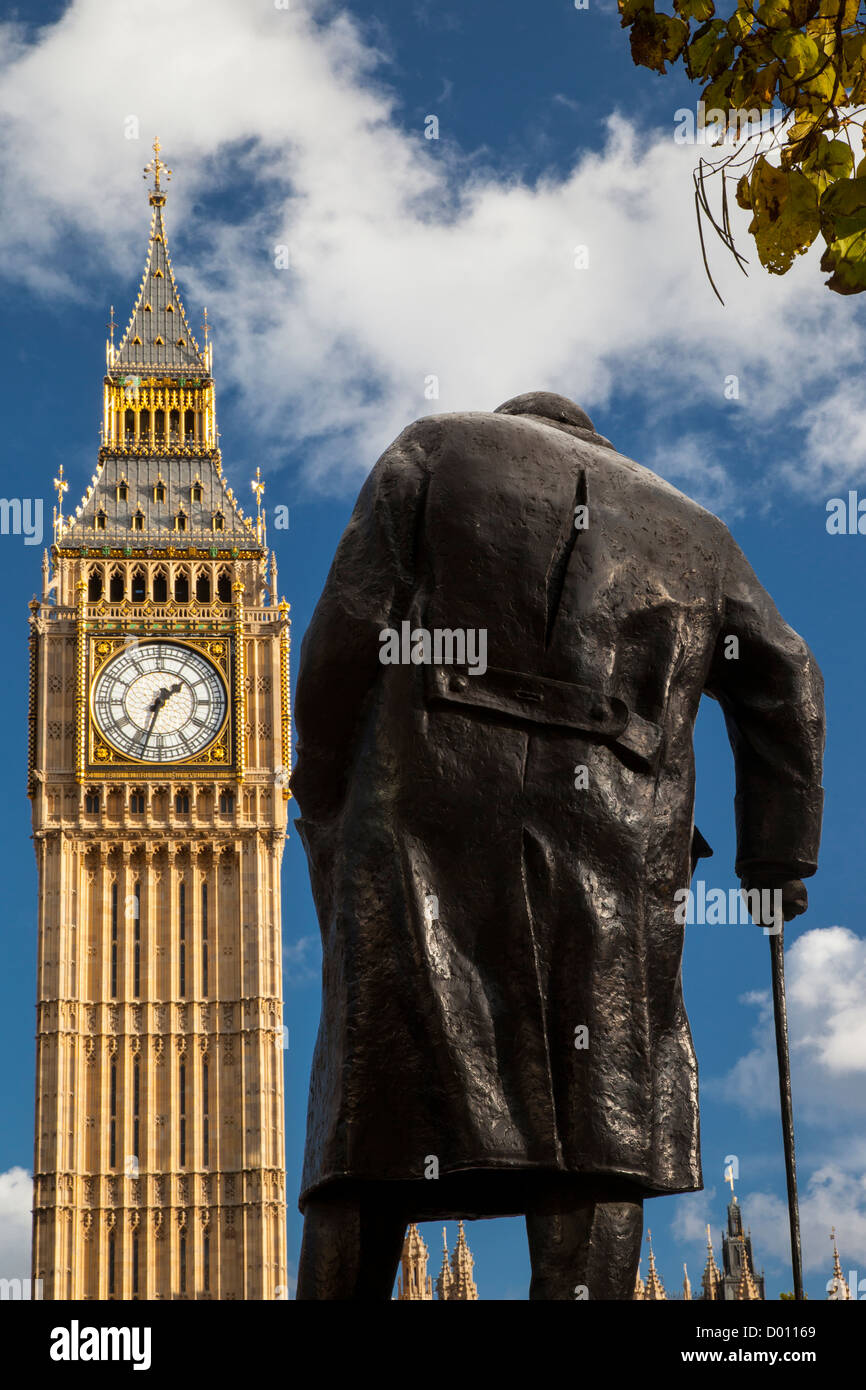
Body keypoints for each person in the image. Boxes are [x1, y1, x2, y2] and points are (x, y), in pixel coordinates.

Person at [291, 391, 824, 1299]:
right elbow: (790, 678)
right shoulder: (698, 531)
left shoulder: (432, 449)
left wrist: (324, 780)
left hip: (424, 818)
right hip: (618, 844)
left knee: (377, 1115)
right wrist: (775, 856)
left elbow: (344, 636)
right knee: (603, 1126)